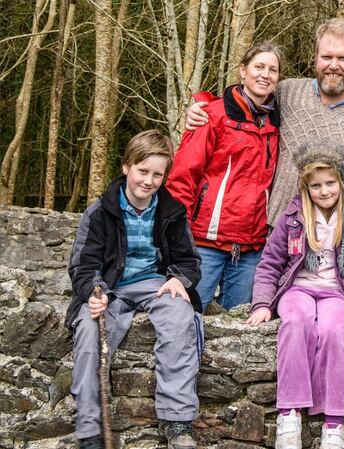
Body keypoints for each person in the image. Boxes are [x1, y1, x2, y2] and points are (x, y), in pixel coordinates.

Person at [246, 144, 344, 449]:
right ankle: (289, 413)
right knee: (297, 321)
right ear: (306, 187)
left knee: (334, 330)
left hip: (335, 293)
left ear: (341, 183)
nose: (324, 191)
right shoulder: (293, 217)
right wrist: (262, 304)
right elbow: (270, 263)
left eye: (330, 183)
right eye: (316, 185)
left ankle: (333, 421)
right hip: (297, 289)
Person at [185, 18, 344, 238]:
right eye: (326, 57)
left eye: (342, 58)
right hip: (272, 234)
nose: (334, 65)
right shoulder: (287, 92)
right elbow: (244, 100)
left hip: (331, 242)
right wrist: (201, 108)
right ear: (315, 58)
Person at [67, 130, 203, 449]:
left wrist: (178, 278)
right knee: (89, 330)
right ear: (126, 167)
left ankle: (178, 420)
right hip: (110, 287)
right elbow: (83, 264)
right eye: (143, 171)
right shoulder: (100, 211)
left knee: (181, 318)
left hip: (154, 283)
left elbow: (189, 260)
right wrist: (94, 290)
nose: (149, 181)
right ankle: (90, 429)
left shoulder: (172, 210)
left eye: (158, 174)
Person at [167, 42, 282, 311]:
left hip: (252, 247)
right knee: (186, 314)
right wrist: (176, 234)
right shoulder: (212, 115)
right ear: (243, 71)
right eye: (259, 67)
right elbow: (183, 176)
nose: (265, 74)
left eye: (273, 70)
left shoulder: (278, 121)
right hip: (204, 242)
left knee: (237, 327)